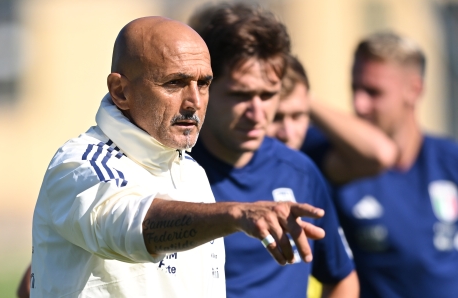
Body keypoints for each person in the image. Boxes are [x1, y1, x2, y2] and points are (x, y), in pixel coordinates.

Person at [28, 16, 327, 297]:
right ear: (120, 91)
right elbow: (133, 224)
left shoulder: (191, 170)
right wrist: (237, 214)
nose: (194, 102)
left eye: (204, 83)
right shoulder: (80, 165)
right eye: (174, 83)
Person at [187, 3, 358, 298]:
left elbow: (342, 278)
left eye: (268, 95)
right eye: (240, 95)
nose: (257, 113)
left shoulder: (299, 171)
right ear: (205, 88)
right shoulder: (169, 170)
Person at [303, 32, 458, 298]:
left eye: (373, 92)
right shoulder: (339, 161)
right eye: (355, 88)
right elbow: (379, 153)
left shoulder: (449, 160)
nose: (359, 104)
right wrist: (302, 96)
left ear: (414, 90)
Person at [267, 55, 398, 184]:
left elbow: (381, 154)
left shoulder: (309, 152)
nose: (288, 133)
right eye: (275, 118)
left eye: (297, 116)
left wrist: (303, 95)